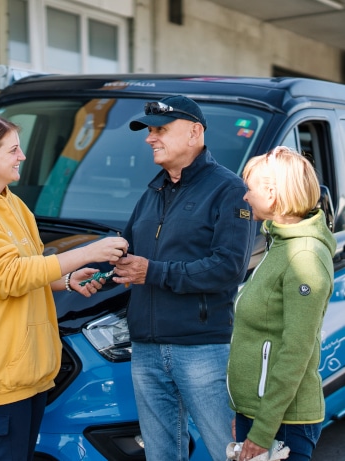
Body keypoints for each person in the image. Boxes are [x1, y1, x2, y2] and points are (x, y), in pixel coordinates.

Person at [0, 112, 128, 461]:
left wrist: (63, 281)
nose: (22, 156)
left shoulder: (13, 203)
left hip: (25, 374)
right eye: (13, 150)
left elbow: (26, 270)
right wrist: (87, 253)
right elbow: (4, 275)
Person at [112, 95, 255, 461]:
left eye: (160, 130)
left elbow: (228, 268)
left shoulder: (229, 190)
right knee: (161, 456)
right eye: (149, 131)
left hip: (201, 349)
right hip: (145, 348)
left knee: (230, 452)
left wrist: (152, 271)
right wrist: (101, 272)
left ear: (194, 133)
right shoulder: (154, 190)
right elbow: (128, 251)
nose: (150, 138)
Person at [227, 146, 336, 461]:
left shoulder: (304, 257)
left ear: (272, 193)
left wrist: (261, 431)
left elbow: (295, 353)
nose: (245, 196)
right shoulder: (279, 243)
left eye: (250, 189)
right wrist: (244, 412)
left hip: (283, 424)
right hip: (259, 414)